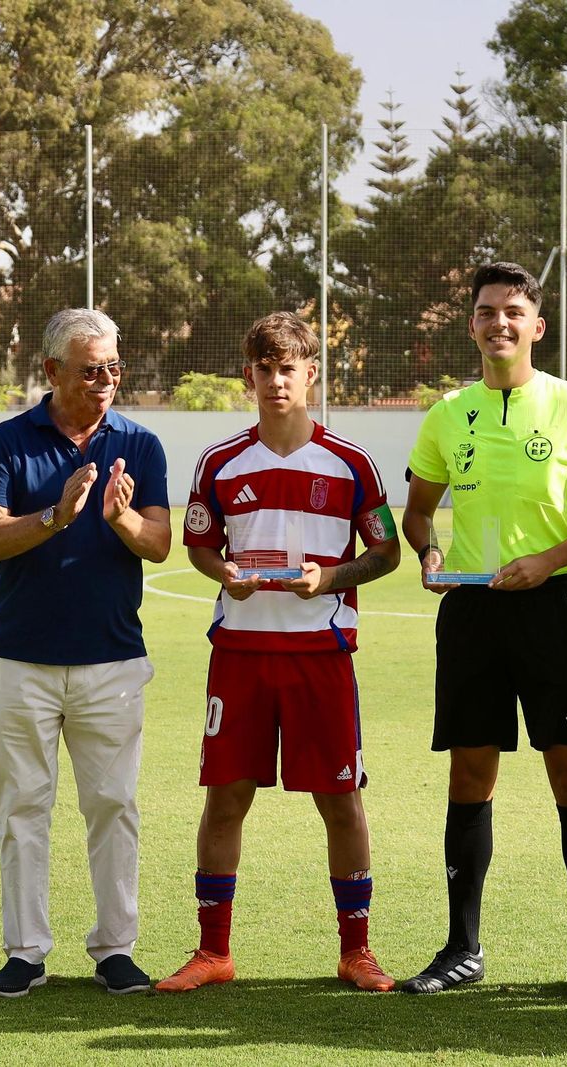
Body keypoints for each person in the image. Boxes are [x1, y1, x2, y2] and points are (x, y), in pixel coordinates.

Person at [401, 261, 567, 1000]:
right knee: (470, 774)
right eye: (486, 311)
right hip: (469, 609)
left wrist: (546, 562)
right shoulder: (446, 414)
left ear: (537, 325)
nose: (499, 322)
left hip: (552, 606)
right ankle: (462, 947)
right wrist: (428, 549)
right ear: (471, 324)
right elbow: (415, 511)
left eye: (513, 311)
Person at [156, 312, 402, 994]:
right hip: (239, 654)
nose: (275, 381)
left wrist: (330, 578)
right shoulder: (220, 462)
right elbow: (201, 545)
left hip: (320, 655)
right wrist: (221, 572)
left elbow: (386, 553)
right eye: (263, 370)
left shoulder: (351, 463)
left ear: (310, 374)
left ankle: (357, 950)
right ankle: (213, 952)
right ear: (249, 377)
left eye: (287, 368)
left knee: (341, 800)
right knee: (225, 797)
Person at [0, 309, 171, 997]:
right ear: (51, 371)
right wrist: (55, 516)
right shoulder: (6, 442)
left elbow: (161, 541)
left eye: (115, 367)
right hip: (19, 658)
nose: (106, 380)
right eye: (91, 370)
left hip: (111, 659)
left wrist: (120, 519)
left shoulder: (140, 444)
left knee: (113, 803)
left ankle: (115, 947)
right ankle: (25, 951)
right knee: (22, 806)